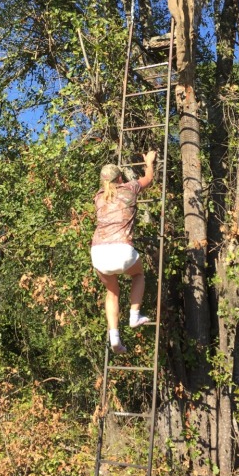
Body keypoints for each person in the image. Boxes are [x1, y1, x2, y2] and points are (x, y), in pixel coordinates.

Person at [91, 150, 157, 353]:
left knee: (112, 291)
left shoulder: (98, 198)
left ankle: (114, 337)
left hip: (99, 254)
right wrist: (149, 162)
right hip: (121, 250)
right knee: (138, 275)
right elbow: (149, 179)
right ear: (120, 178)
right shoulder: (129, 189)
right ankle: (134, 315)